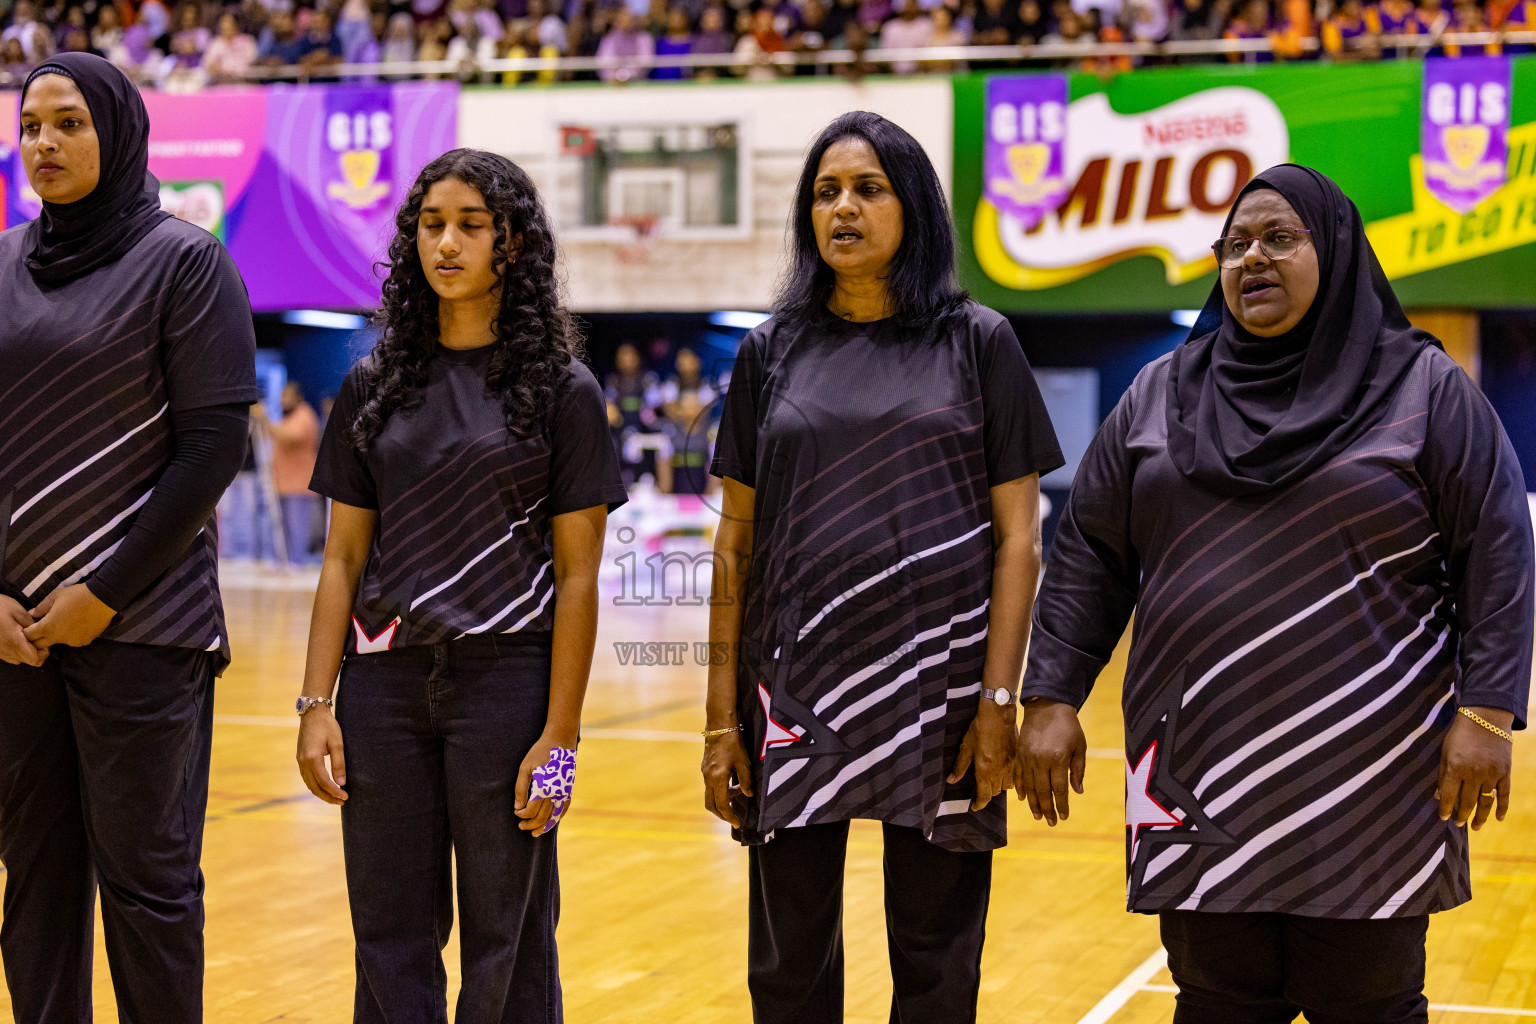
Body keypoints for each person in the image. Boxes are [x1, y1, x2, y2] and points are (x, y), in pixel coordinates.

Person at [1017, 164, 1533, 1022]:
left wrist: (1486, 713)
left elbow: (1497, 551)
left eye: (1279, 238)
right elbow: (1089, 556)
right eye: (1234, 244)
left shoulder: (1425, 389)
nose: (1251, 258)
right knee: (1217, 1000)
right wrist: (1051, 693)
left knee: (1367, 1001)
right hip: (1198, 767)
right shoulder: (1158, 394)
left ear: (1333, 249)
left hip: (1371, 775)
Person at [702, 111, 1063, 1023]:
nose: (844, 208)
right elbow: (734, 543)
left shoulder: (980, 342)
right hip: (793, 692)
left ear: (915, 208)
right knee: (787, 965)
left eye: (869, 189)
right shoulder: (769, 351)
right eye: (826, 192)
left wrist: (997, 702)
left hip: (939, 693)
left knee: (938, 961)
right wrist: (719, 724)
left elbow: (1021, 539)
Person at [295, 148, 626, 1023]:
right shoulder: (373, 384)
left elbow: (580, 575)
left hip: (508, 686)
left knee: (507, 938)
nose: (447, 243)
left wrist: (560, 733)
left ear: (510, 242)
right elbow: (342, 558)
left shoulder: (563, 391)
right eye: (431, 226)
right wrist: (315, 702)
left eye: (470, 226)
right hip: (382, 689)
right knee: (389, 934)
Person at [1, 52, 257, 1023]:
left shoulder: (185, 262)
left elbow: (210, 451)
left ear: (117, 129)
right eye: (30, 126)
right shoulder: (1, 265)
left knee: (147, 889)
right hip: (16, 636)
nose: (44, 143)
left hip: (145, 630)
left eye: (68, 122)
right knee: (34, 880)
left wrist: (102, 594)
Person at [260, 381, 323, 565]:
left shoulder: (304, 415)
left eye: (286, 397)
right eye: (281, 397)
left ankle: (296, 561)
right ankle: (284, 561)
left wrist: (264, 419)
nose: (282, 401)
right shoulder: (288, 417)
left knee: (297, 526)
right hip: (283, 482)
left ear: (297, 397)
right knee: (284, 526)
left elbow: (290, 437)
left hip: (298, 483)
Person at [595, 6, 652, 81]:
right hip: (612, 84)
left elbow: (645, 62)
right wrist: (616, 77)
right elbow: (603, 63)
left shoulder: (644, 38)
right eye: (622, 18)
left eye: (628, 18)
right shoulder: (609, 39)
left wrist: (627, 76)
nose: (625, 21)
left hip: (637, 83)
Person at [204, 12, 259, 80]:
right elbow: (208, 62)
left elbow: (250, 62)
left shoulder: (247, 41)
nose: (227, 33)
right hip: (221, 82)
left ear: (236, 27)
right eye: (223, 30)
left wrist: (226, 69)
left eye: (229, 29)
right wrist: (212, 66)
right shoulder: (216, 43)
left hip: (243, 81)